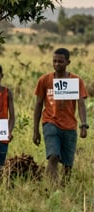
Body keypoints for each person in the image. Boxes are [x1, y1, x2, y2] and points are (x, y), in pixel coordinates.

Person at [32, 47, 88, 184]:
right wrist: (35, 130)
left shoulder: (76, 80)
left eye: (60, 62)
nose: (57, 64)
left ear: (68, 62)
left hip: (69, 125)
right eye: (54, 61)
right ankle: (52, 187)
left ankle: (64, 188)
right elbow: (38, 105)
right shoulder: (44, 80)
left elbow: (81, 103)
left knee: (68, 163)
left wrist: (84, 124)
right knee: (53, 156)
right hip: (50, 122)